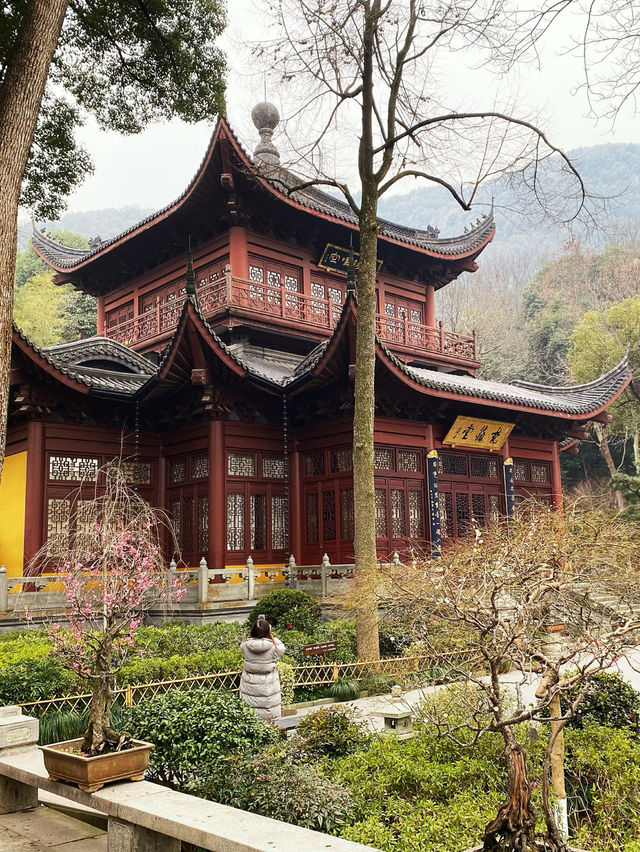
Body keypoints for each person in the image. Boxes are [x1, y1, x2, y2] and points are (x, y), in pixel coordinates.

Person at [239, 616, 286, 720]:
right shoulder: (273, 647)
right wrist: (271, 636)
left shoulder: (245, 645)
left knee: (250, 715)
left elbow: (244, 643)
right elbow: (282, 648)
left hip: (249, 683)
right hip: (268, 684)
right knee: (269, 721)